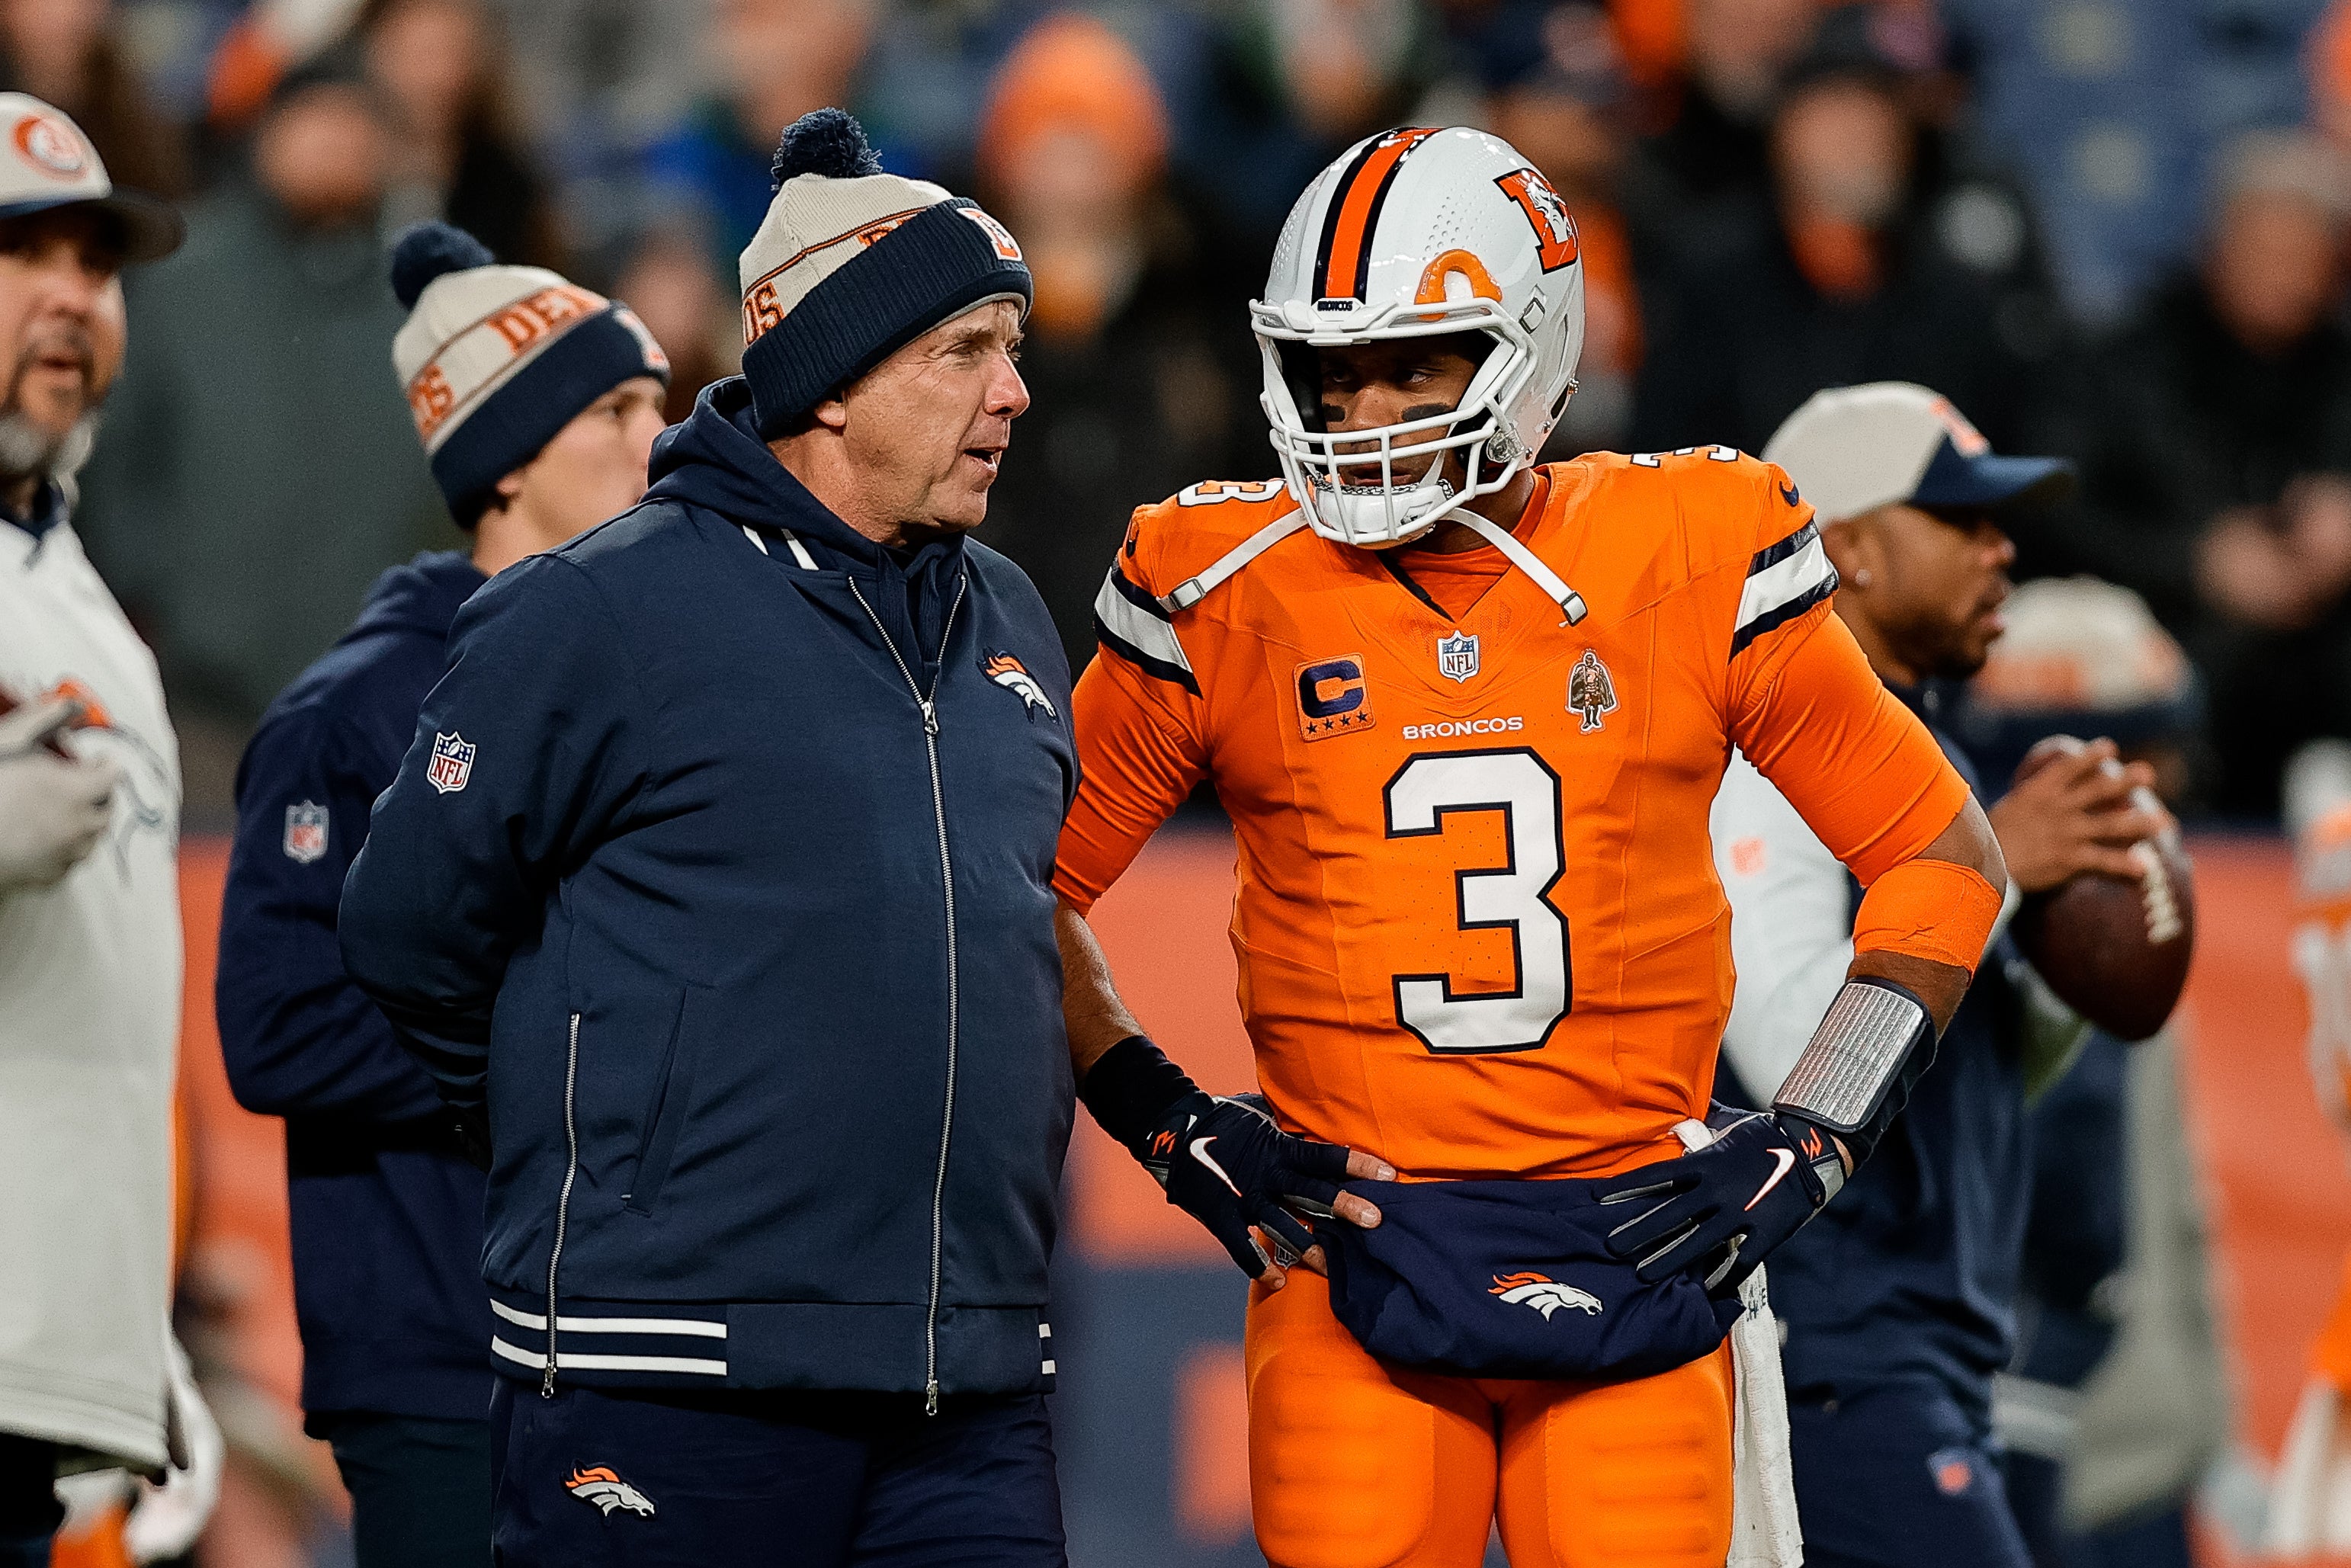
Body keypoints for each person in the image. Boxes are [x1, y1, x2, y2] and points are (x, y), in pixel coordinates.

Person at [1052, 125, 2009, 1567]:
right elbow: (1014, 896)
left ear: (1531, 342)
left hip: (1637, 1230)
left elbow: (1943, 855)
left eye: (1413, 363)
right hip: (1348, 1245)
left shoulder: (1686, 544)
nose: (1361, 407)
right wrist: (1169, 1123)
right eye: (1330, 370)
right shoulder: (1218, 579)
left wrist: (1808, 1138)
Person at [338, 109, 1074, 1566]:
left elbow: (1020, 918)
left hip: (966, 1384)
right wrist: (610, 1129)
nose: (1015, 394)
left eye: (1013, 345)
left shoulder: (1010, 616)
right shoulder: (596, 610)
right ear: (828, 379)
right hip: (668, 1367)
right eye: (965, 351)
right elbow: (406, 926)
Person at [213, 222, 668, 1568]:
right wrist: (559, 1040)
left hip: (637, 1345)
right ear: (507, 460)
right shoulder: (350, 718)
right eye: (617, 408)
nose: (663, 438)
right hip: (438, 1353)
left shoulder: (650, 679)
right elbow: (282, 1024)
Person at [1710, 382, 2169, 1568]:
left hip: (1920, 1354)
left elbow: (1970, 1085)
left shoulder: (1923, 752)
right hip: (1826, 1350)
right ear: (1850, 548)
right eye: (1960, 520)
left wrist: (2065, 968)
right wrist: (1998, 876)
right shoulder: (1767, 753)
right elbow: (1793, 1058)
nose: (2000, 548)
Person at [0, 92, 216, 1566]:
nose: (75, 295)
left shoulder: (71, 579)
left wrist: (134, 1334)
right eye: (25, 256)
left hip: (52, 1353)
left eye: (98, 261)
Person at [73, 51, 446, 748]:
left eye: (358, 122)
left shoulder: (421, 311)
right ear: (265, 133)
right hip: (195, 698)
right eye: (315, 117)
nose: (336, 139)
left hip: (372, 712)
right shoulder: (180, 281)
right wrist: (154, 605)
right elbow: (111, 460)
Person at [2037, 130, 2351, 817]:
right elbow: (2058, 512)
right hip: (2171, 637)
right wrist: (2195, 561)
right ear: (2220, 244)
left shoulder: (2338, 362)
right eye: (2268, 252)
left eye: (2308, 258)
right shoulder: (2128, 357)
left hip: (2322, 657)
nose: (2288, 277)